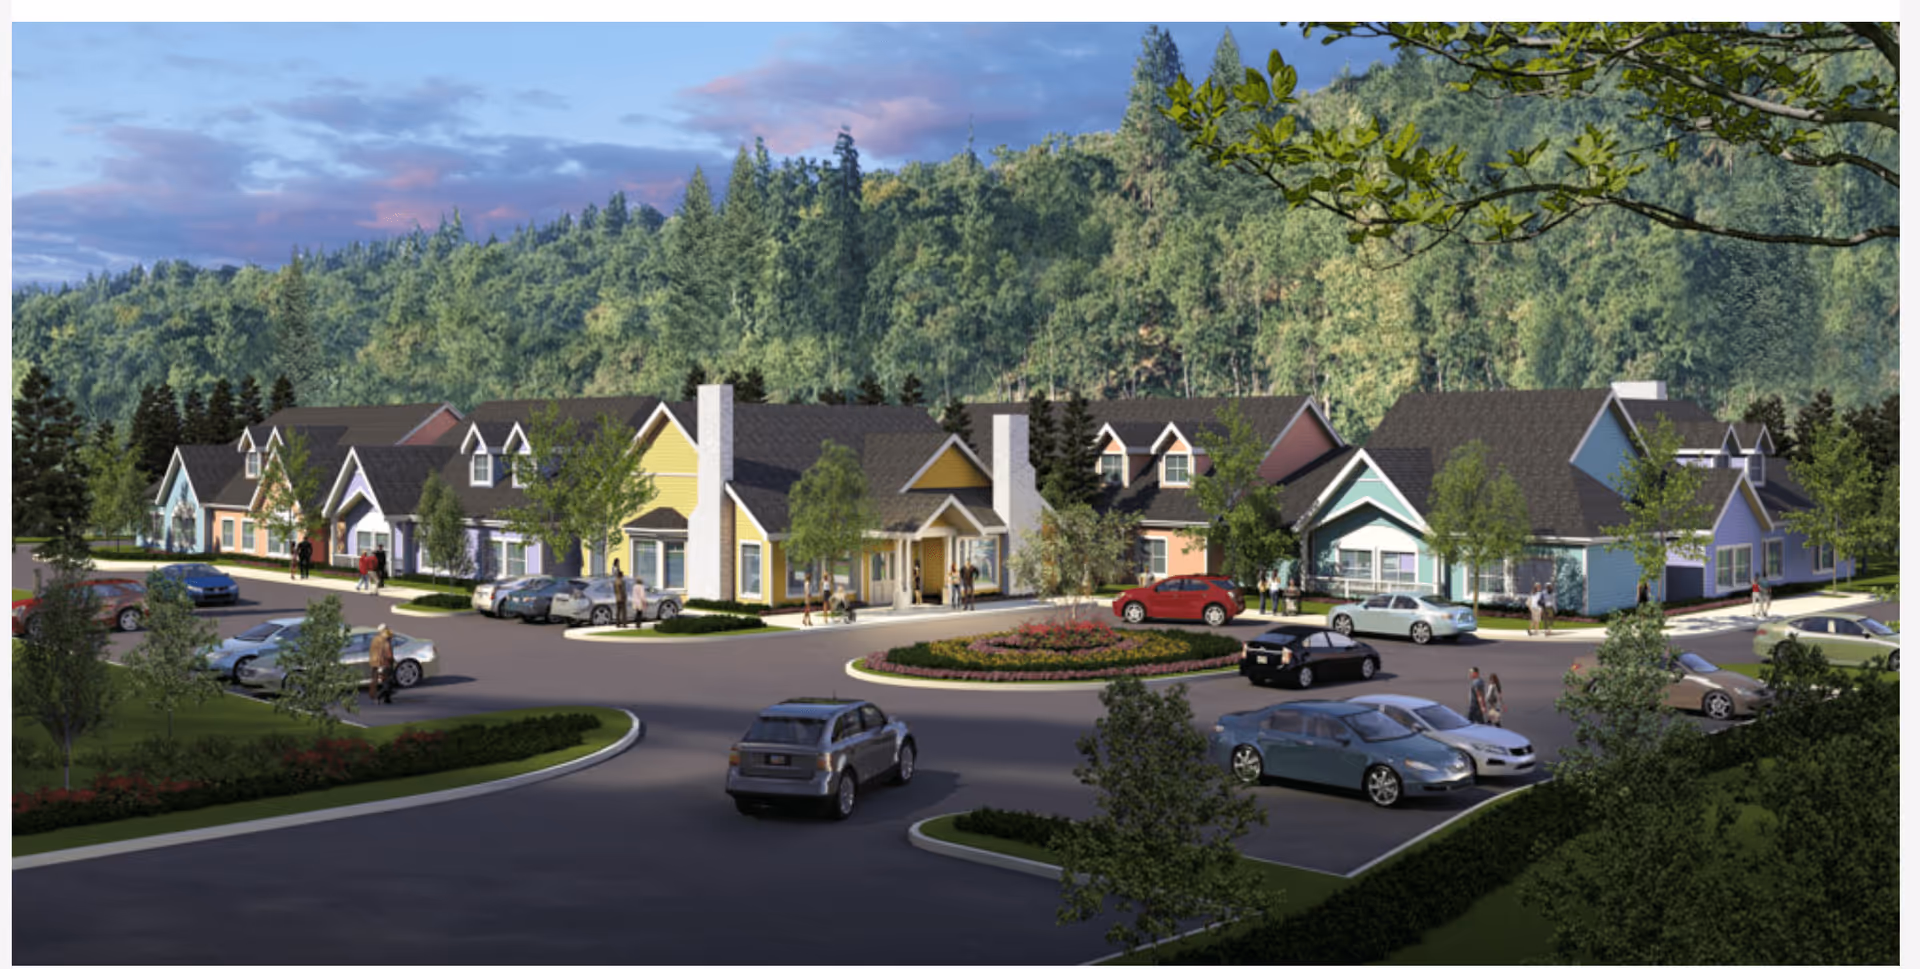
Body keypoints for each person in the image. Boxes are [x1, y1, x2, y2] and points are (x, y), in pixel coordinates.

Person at [368, 623, 396, 704]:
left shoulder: (374, 639)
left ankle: (387, 699)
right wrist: (392, 660)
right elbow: (388, 653)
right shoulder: (385, 640)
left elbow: (372, 651)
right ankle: (379, 697)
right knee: (388, 681)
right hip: (384, 663)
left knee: (377, 680)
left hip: (375, 663)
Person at [613, 560, 629, 628]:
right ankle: (624, 624)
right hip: (622, 598)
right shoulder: (621, 582)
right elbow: (622, 590)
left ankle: (617, 624)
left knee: (618, 611)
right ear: (621, 575)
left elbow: (614, 590)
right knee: (624, 611)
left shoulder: (615, 581)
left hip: (617, 598)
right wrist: (625, 596)